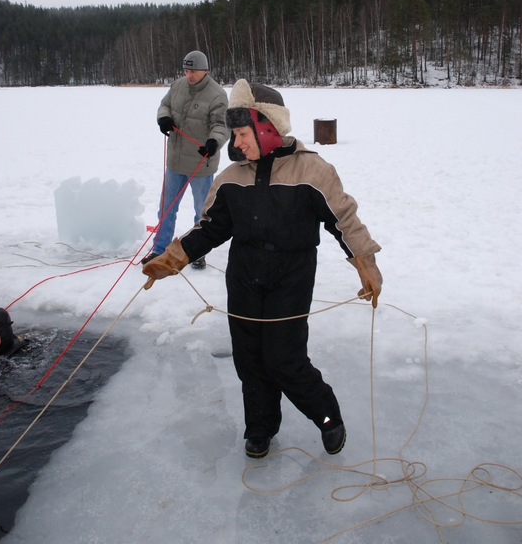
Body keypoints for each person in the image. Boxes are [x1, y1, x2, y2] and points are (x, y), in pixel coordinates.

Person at [142, 79, 383, 459]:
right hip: (244, 274)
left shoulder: (312, 171)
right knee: (250, 358)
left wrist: (365, 263)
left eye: (241, 133)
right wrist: (174, 257)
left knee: (284, 357)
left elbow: (344, 219)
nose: (235, 144)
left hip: (292, 274)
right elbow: (212, 227)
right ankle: (260, 428)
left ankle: (326, 415)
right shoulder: (231, 178)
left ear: (267, 126)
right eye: (234, 135)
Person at [143, 50, 229, 270]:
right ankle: (159, 249)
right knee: (166, 208)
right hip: (175, 161)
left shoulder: (217, 94)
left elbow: (221, 125)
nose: (189, 75)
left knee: (202, 211)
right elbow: (165, 105)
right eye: (186, 70)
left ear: (205, 70)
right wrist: (164, 118)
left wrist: (213, 142)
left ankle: (197, 252)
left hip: (201, 164)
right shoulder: (178, 86)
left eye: (193, 71)